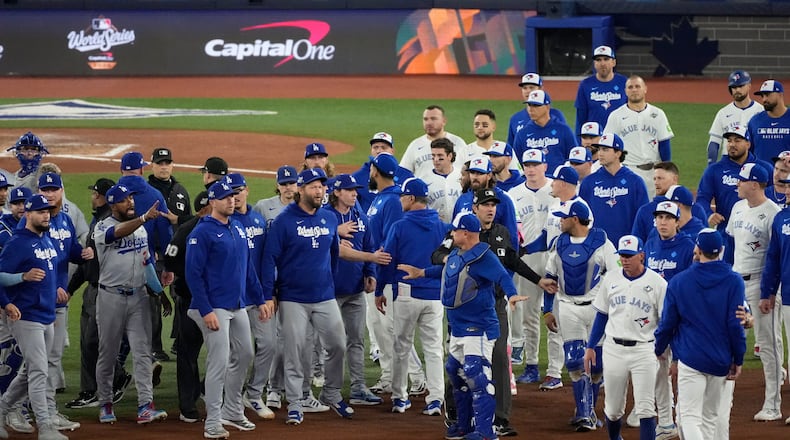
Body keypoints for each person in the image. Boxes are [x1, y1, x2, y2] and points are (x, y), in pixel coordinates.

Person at [433, 189, 557, 437]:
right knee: (457, 364)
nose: (491, 209)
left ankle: (498, 418)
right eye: (485, 205)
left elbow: (511, 262)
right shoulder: (459, 233)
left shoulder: (501, 233)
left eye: (494, 205)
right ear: (475, 208)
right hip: (464, 309)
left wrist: (537, 280)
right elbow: (437, 254)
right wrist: (453, 261)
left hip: (496, 305)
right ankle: (457, 414)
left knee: (498, 358)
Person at [397, 213, 528, 440]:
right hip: (458, 327)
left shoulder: (484, 257)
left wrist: (513, 295)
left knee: (477, 376)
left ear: (465, 232)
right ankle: (464, 426)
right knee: (457, 375)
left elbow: (502, 277)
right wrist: (421, 273)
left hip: (478, 328)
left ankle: (486, 432)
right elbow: (450, 271)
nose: (451, 233)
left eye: (454, 230)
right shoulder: (458, 253)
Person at [260, 168, 351, 425]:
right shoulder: (283, 222)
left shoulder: (329, 218)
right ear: (301, 189)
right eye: (313, 187)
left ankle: (331, 393)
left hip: (324, 295)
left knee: (337, 344)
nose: (320, 191)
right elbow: (269, 260)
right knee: (295, 351)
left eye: (322, 186)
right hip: (293, 298)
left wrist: (328, 282)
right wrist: (270, 293)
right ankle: (296, 403)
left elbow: (333, 254)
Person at [186, 180, 272, 438]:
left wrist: (260, 299)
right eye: (225, 197)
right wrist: (206, 310)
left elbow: (247, 270)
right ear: (213, 201)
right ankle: (212, 422)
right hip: (214, 308)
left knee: (245, 354)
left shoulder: (237, 227)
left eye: (233, 196)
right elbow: (193, 275)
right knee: (219, 363)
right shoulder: (201, 233)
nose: (231, 201)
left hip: (238, 306)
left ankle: (232, 410)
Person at [654, 229, 746, 440]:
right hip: (721, 360)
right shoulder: (734, 281)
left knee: (689, 418)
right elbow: (735, 325)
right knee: (710, 418)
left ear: (697, 249)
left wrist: (659, 347)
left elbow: (668, 323)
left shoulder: (679, 281)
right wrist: (738, 358)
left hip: (691, 359)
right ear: (721, 251)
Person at [93, 184, 171, 425]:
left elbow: (147, 263)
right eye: (125, 200)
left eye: (131, 199)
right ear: (113, 204)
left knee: (142, 351)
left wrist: (159, 291)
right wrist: (144, 218)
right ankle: (105, 403)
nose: (131, 202)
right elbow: (116, 234)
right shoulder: (102, 227)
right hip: (110, 298)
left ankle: (145, 406)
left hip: (138, 297)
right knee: (108, 354)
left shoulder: (140, 231)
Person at [541, 200, 620, 432]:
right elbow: (550, 279)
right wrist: (547, 309)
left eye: (563, 217)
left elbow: (616, 276)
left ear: (574, 219)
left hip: (598, 309)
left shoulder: (602, 242)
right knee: (575, 361)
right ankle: (584, 414)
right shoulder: (559, 243)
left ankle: (589, 410)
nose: (560, 221)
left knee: (596, 365)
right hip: (568, 306)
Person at [374, 178, 449, 415]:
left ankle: (399, 397)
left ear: (410, 199)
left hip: (406, 294)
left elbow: (387, 261)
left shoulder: (399, 226)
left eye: (402, 197)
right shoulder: (443, 226)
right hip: (435, 296)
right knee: (434, 348)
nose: (399, 201)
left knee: (401, 347)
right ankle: (436, 399)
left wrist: (379, 290)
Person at [583, 235, 667, 440]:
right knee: (612, 410)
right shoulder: (611, 279)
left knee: (646, 408)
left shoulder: (658, 283)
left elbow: (666, 321)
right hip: (614, 349)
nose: (625, 260)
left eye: (630, 256)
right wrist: (591, 346)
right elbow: (602, 314)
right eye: (622, 256)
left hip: (644, 350)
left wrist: (662, 349)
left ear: (642, 255)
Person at [27, 172, 92, 432]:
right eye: (45, 190)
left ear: (62, 190)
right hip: (37, 301)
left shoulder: (65, 220)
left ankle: (49, 410)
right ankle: (26, 409)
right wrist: (53, 287)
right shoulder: (33, 225)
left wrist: (83, 253)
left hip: (59, 302)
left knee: (53, 358)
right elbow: (33, 261)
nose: (50, 194)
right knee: (35, 363)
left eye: (54, 189)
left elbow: (68, 252)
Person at [0, 194, 67, 440]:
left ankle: (1, 411)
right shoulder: (18, 243)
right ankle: (46, 427)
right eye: (40, 211)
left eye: (47, 211)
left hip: (46, 315)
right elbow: (0, 276)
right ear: (28, 214)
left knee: (30, 372)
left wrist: (56, 289)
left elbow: (50, 272)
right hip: (26, 317)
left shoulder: (45, 239)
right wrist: (17, 285)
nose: (46, 214)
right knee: (39, 371)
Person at [64, 179, 135, 412]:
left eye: (95, 193)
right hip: (94, 289)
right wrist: (72, 287)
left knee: (94, 341)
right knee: (90, 341)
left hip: (104, 291)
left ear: (104, 197)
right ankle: (100, 385)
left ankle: (105, 384)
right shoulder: (99, 220)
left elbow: (93, 264)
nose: (92, 196)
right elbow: (87, 263)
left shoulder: (107, 224)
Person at [365, 153, 426, 397]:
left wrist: (383, 274)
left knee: (392, 328)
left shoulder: (391, 201)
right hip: (374, 270)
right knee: (378, 328)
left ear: (374, 171)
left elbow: (390, 242)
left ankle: (417, 377)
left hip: (386, 274)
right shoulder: (380, 199)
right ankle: (389, 377)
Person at [726, 163, 783, 422]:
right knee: (728, 339)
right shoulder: (737, 208)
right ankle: (721, 400)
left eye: (741, 180)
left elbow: (777, 256)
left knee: (768, 346)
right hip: (736, 284)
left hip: (761, 284)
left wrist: (769, 292)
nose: (736, 183)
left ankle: (772, 404)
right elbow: (730, 246)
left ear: (755, 184)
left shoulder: (773, 213)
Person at [324, 174, 383, 407]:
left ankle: (358, 387)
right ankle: (331, 390)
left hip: (356, 289)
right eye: (349, 190)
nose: (354, 193)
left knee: (357, 340)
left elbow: (369, 244)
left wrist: (370, 272)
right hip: (330, 291)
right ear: (337, 192)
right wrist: (335, 232)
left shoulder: (360, 217)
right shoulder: (326, 217)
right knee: (333, 343)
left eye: (355, 190)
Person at [510, 150, 565, 390]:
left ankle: (555, 369)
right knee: (528, 314)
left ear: (545, 165)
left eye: (535, 164)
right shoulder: (514, 194)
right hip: (528, 262)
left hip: (556, 259)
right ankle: (531, 365)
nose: (530, 169)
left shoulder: (557, 190)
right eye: (527, 165)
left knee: (558, 314)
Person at [223, 173, 275, 422]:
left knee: (268, 344)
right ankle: (229, 399)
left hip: (257, 296)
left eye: (239, 190)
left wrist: (267, 294)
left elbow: (265, 261)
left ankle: (253, 394)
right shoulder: (225, 222)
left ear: (247, 191)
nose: (236, 195)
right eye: (231, 192)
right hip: (233, 299)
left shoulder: (257, 218)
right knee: (236, 353)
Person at [640, 200, 694, 439]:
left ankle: (685, 418)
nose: (662, 222)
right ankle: (666, 422)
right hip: (654, 318)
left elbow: (691, 282)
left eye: (668, 218)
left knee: (684, 369)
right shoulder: (650, 244)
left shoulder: (687, 247)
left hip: (680, 317)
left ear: (677, 222)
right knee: (660, 368)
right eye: (659, 218)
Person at [163, 193, 211, 423]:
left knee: (227, 352)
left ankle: (205, 391)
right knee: (188, 353)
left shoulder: (226, 226)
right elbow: (169, 261)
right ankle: (188, 405)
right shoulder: (187, 230)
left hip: (217, 303)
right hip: (190, 301)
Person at [697, 122, 774, 265]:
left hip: (758, 232)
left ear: (748, 144)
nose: (732, 144)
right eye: (729, 140)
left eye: (737, 140)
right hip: (726, 232)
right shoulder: (714, 170)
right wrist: (709, 214)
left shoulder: (764, 169)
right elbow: (702, 198)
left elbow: (775, 195)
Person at [148, 147, 190, 362]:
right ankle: (155, 347)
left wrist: (178, 221)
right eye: (160, 163)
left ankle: (179, 341)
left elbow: (190, 222)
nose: (164, 167)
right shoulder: (145, 190)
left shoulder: (180, 189)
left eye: (167, 163)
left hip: (177, 254)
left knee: (181, 297)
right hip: (153, 255)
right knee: (153, 301)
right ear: (152, 165)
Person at [603, 75, 673, 198]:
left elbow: (664, 144)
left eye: (637, 86)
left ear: (645, 89)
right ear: (625, 91)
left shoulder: (658, 114)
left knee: (654, 209)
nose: (634, 90)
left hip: (653, 171)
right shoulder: (616, 116)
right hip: (629, 170)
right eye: (630, 87)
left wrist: (666, 171)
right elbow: (608, 146)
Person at [579, 133, 649, 244]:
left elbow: (644, 217)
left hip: (626, 247)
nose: (600, 153)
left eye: (605, 150)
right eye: (599, 149)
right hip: (595, 246)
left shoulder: (635, 182)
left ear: (618, 153)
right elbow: (581, 217)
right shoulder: (589, 182)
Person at [760, 170, 790, 425]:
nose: (787, 191)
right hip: (788, 295)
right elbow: (773, 260)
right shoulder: (781, 219)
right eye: (787, 187)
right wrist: (768, 292)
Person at [452, 155, 519, 252]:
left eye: (479, 173)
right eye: (472, 172)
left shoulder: (503, 200)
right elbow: (453, 230)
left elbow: (512, 236)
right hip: (465, 258)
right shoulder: (462, 199)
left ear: (489, 175)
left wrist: (511, 264)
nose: (475, 177)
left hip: (493, 256)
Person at [631, 162, 707, 243]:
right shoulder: (645, 210)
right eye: (654, 179)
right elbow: (638, 244)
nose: (656, 183)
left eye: (660, 178)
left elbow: (706, 239)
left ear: (675, 179)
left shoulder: (695, 209)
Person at [706, 70, 764, 165]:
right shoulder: (723, 113)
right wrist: (711, 165)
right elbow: (714, 142)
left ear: (749, 86)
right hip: (728, 162)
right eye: (734, 87)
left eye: (741, 86)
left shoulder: (761, 111)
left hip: (753, 163)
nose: (737, 90)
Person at [512, 90, 576, 174]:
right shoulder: (522, 134)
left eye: (536, 105)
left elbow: (573, 157)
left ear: (547, 106)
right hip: (533, 183)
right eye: (529, 105)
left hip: (559, 181)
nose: (531, 109)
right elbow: (517, 163)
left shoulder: (563, 130)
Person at [401, 105, 469, 180]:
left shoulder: (458, 143)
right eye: (425, 119)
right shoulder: (415, 145)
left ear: (444, 121)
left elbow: (469, 171)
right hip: (424, 190)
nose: (429, 123)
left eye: (433, 119)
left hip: (453, 190)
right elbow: (403, 172)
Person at [574, 45, 628, 139]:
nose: (602, 63)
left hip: (620, 137)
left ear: (613, 62)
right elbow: (580, 118)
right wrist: (579, 142)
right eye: (598, 60)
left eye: (606, 59)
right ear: (594, 63)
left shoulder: (624, 83)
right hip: (594, 138)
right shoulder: (585, 85)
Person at [352, 132, 414, 213]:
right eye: (375, 147)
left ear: (392, 151)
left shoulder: (406, 175)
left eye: (383, 147)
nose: (379, 151)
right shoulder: (357, 177)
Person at [508, 73, 567, 148]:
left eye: (531, 87)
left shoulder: (556, 115)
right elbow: (512, 148)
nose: (528, 91)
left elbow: (565, 141)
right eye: (524, 88)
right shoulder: (515, 119)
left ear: (541, 89)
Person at [748, 79, 790, 164]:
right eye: (762, 96)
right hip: (761, 175)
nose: (764, 99)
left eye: (767, 95)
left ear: (780, 95)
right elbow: (748, 152)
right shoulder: (755, 121)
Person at [423, 138, 463, 223]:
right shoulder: (424, 179)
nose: (436, 160)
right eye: (433, 156)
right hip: (435, 228)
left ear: (450, 156)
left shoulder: (462, 176)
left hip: (460, 229)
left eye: (440, 156)